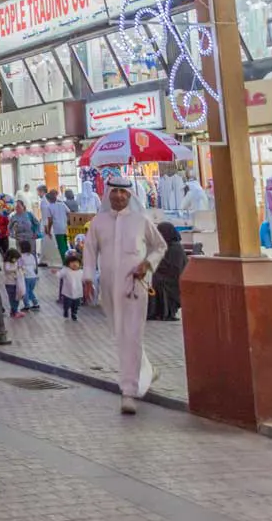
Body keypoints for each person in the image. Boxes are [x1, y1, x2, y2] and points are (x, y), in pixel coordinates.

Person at [82, 177, 167, 414]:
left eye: (123, 192)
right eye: (115, 192)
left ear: (130, 196)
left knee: (132, 334)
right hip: (109, 288)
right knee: (122, 335)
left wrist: (147, 264)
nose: (119, 196)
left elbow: (159, 246)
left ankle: (128, 392)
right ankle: (147, 370)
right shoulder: (98, 222)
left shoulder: (141, 221)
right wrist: (87, 278)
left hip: (135, 287)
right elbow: (89, 251)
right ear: (108, 195)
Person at [148, 222, 188, 321]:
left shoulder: (175, 248)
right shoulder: (167, 246)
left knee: (154, 280)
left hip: (172, 282)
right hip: (166, 277)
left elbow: (174, 269)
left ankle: (157, 311)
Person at [42, 189, 70, 266]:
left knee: (61, 247)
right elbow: (69, 213)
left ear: (48, 199)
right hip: (65, 226)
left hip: (57, 228)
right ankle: (70, 260)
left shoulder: (49, 207)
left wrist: (48, 229)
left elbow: (50, 220)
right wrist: (67, 221)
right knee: (66, 245)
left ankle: (66, 263)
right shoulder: (62, 204)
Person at [60, 251, 85, 322]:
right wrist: (56, 273)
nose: (74, 264)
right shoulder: (66, 270)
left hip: (78, 292)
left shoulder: (81, 272)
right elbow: (60, 275)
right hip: (67, 292)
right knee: (67, 304)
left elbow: (85, 279)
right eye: (72, 262)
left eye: (76, 262)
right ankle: (66, 310)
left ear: (79, 264)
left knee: (76, 305)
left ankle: (74, 314)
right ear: (68, 264)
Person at [19, 238, 41, 311]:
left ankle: (27, 305)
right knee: (30, 291)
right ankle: (36, 303)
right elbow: (35, 266)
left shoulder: (20, 257)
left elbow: (19, 267)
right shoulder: (31, 256)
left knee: (25, 291)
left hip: (26, 277)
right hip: (33, 277)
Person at [3, 247, 26, 318]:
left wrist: (22, 268)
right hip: (10, 283)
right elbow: (7, 269)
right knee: (13, 298)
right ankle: (14, 312)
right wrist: (16, 269)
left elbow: (22, 267)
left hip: (17, 282)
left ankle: (15, 311)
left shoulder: (17, 261)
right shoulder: (7, 262)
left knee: (17, 297)